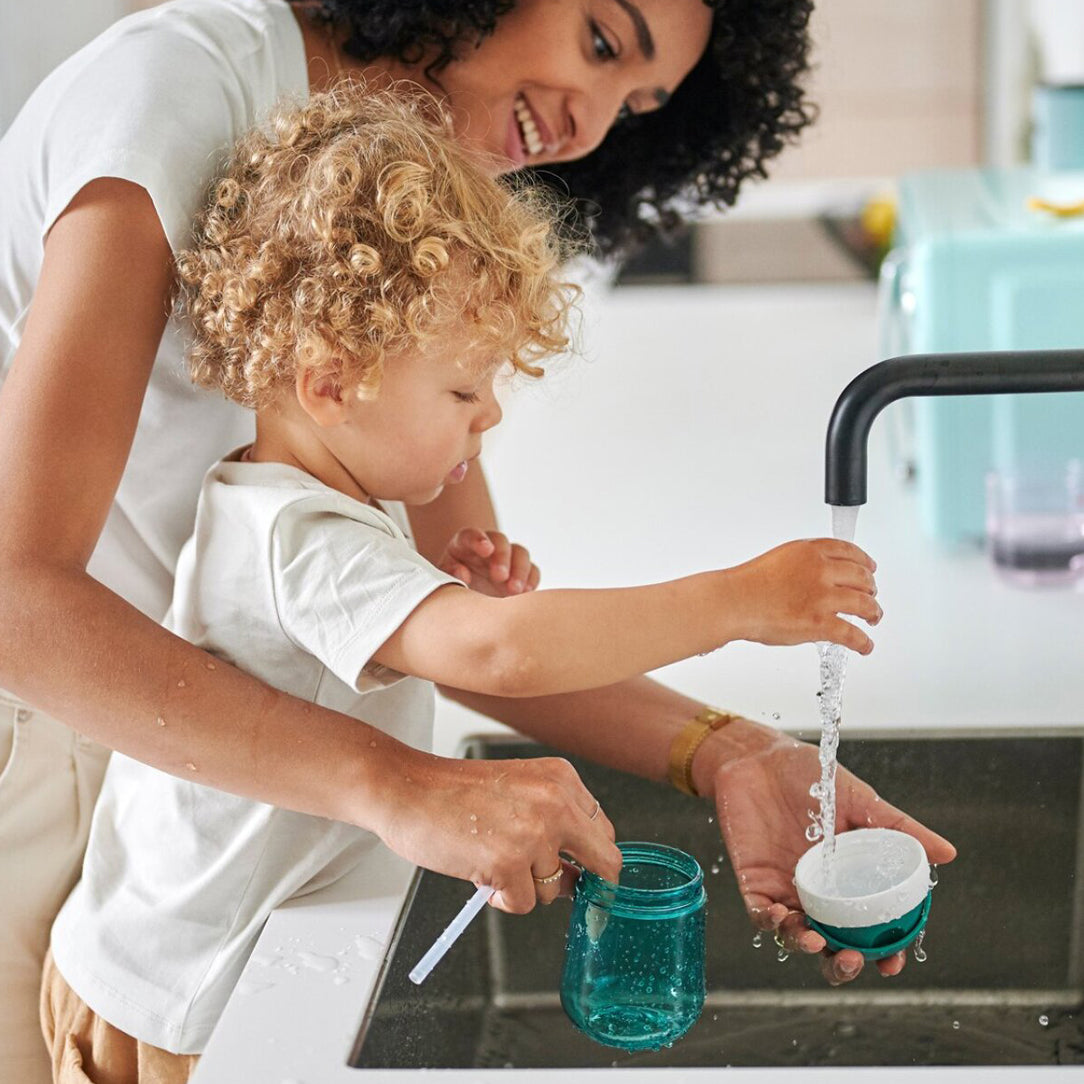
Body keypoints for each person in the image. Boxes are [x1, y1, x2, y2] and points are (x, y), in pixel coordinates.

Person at [0, 2, 956, 1080]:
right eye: (602, 42)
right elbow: (17, 604)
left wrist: (730, 752)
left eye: (634, 107)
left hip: (201, 802)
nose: (588, 126)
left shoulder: (379, 223)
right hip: (52, 751)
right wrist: (401, 783)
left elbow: (479, 632)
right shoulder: (173, 100)